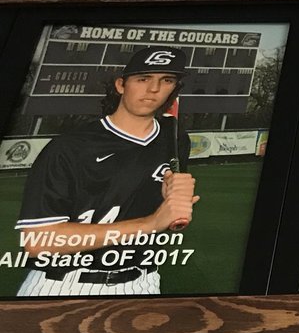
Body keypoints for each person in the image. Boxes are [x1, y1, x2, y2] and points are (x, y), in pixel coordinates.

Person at [13, 47, 196, 297]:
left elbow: (165, 220)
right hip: (64, 283)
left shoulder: (175, 140)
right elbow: (38, 241)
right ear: (121, 85)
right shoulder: (70, 146)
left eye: (166, 80)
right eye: (143, 79)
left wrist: (172, 210)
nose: (153, 89)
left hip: (144, 282)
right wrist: (151, 223)